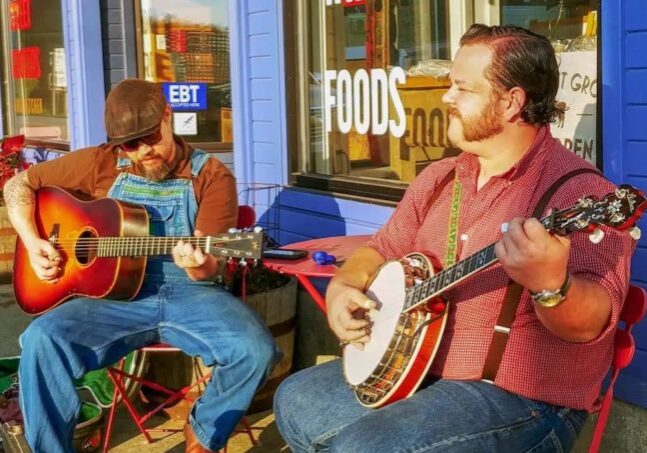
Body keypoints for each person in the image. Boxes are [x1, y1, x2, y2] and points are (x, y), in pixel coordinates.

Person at [274, 24, 635, 452]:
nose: (446, 97)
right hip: (419, 364)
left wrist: (551, 286)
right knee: (295, 400)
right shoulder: (438, 178)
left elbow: (590, 326)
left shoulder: (584, 194)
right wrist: (344, 285)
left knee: (365, 446)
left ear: (510, 102)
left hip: (524, 398)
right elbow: (382, 249)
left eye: (461, 88)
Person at [3, 79, 280, 453]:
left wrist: (199, 266)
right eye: (130, 145)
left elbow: (211, 266)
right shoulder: (99, 161)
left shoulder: (211, 175)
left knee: (255, 350)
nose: (144, 151)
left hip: (191, 292)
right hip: (111, 299)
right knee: (41, 339)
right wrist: (34, 242)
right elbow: (18, 185)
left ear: (169, 117)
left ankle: (204, 430)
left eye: (151, 137)